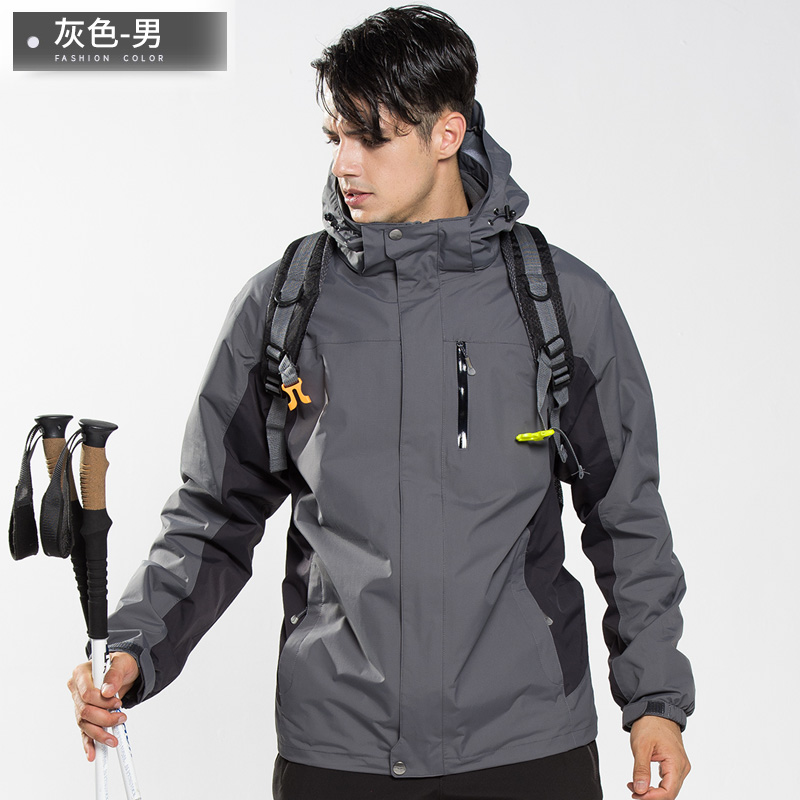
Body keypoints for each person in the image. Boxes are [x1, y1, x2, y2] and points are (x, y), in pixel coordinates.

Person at [68, 6, 695, 799]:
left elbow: (626, 515)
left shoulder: (559, 300)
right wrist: (133, 644)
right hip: (340, 752)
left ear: (447, 133)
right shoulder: (285, 304)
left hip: (525, 744)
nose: (346, 163)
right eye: (336, 137)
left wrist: (655, 700)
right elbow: (213, 513)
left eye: (372, 137)